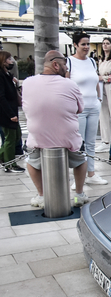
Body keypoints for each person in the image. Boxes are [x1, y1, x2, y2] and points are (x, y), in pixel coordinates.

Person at [22, 50, 90, 207]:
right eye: (65, 65)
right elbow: (80, 108)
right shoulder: (70, 84)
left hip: (37, 137)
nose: (67, 69)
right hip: (67, 137)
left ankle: (42, 195)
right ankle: (78, 195)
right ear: (55, 65)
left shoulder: (27, 82)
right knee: (81, 160)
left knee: (31, 161)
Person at [67, 32, 108, 186]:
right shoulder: (69, 62)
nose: (86, 47)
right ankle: (79, 177)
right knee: (79, 143)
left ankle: (91, 173)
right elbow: (66, 84)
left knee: (91, 142)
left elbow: (95, 80)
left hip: (93, 106)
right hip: (78, 109)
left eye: (87, 44)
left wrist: (98, 99)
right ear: (75, 45)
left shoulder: (91, 61)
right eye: (83, 44)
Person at [0, 51, 24, 173]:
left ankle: (5, 158)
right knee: (10, 138)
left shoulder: (7, 74)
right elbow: (2, 97)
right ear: (3, 61)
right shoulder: (1, 75)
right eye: (9, 59)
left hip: (11, 110)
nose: (11, 61)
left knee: (16, 136)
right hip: (6, 113)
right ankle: (10, 163)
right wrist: (10, 114)